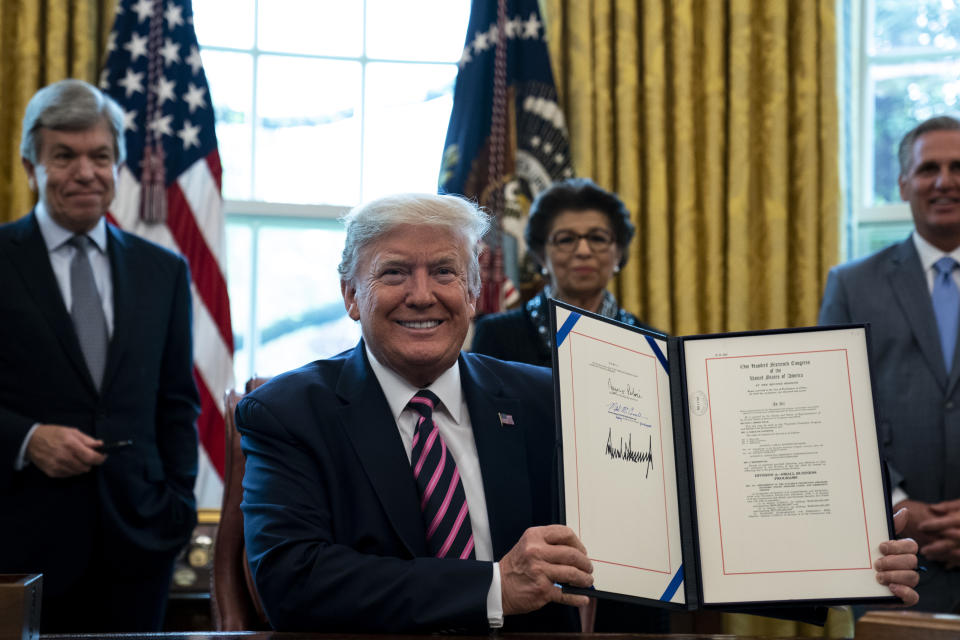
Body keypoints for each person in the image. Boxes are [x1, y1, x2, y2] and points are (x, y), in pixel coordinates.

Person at [237, 192, 919, 633]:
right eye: (393, 273)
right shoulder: (290, 411)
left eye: (445, 272)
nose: (423, 295)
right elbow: (295, 579)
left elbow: (674, 537)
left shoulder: (546, 397)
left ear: (474, 290)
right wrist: (493, 586)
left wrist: (852, 564)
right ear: (351, 295)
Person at [0, 79, 200, 631]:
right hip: (17, 550)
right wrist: (25, 438)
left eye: (101, 156)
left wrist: (178, 509)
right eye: (64, 156)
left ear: (118, 165)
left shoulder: (164, 272)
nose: (85, 172)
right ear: (30, 165)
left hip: (141, 542)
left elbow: (177, 403)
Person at [819, 115, 960, 613]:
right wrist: (893, 501)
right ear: (904, 183)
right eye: (928, 169)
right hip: (894, 560)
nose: (945, 181)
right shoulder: (852, 285)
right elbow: (831, 411)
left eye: (957, 166)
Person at [472, 178, 655, 367]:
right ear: (541, 255)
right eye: (566, 239)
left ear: (618, 254)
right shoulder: (496, 336)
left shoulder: (653, 346)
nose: (583, 251)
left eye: (598, 238)